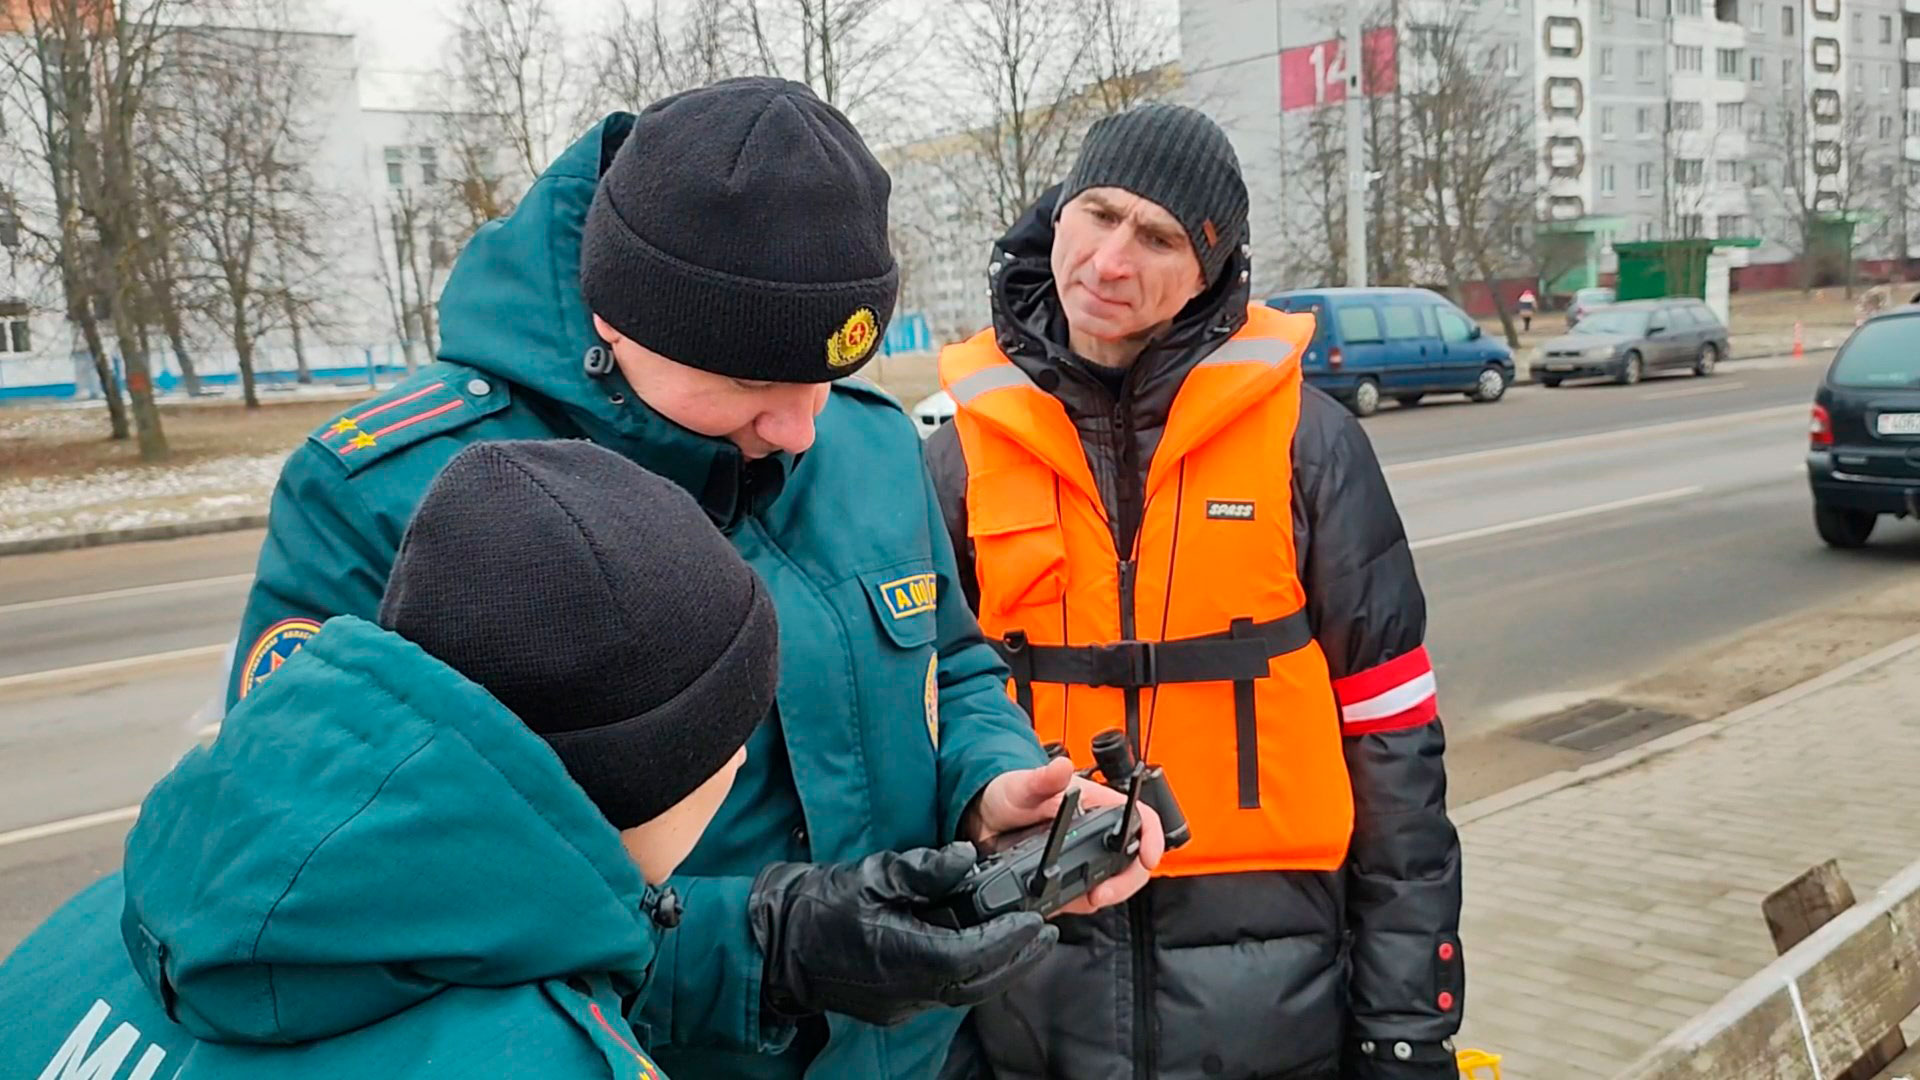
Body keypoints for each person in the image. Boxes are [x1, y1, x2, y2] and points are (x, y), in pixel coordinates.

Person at [214, 77, 1160, 1079]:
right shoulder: (391, 496)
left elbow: (954, 665)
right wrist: (759, 950)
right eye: (754, 381)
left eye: (827, 377)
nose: (802, 427)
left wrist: (992, 785)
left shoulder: (872, 447)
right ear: (620, 322)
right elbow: (334, 892)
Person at [4, 440, 1063, 1077]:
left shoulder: (81, 932)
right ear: (657, 772)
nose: (742, 770)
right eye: (733, 736)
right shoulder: (546, 1058)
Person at [924, 103, 1465, 1079]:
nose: (1110, 260)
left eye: (1160, 237)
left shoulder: (1310, 442)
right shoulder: (957, 456)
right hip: (1034, 999)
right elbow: (906, 745)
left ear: (1209, 269)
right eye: (1096, 214)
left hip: (1278, 1006)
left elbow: (1397, 750)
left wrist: (1406, 1025)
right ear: (1059, 215)